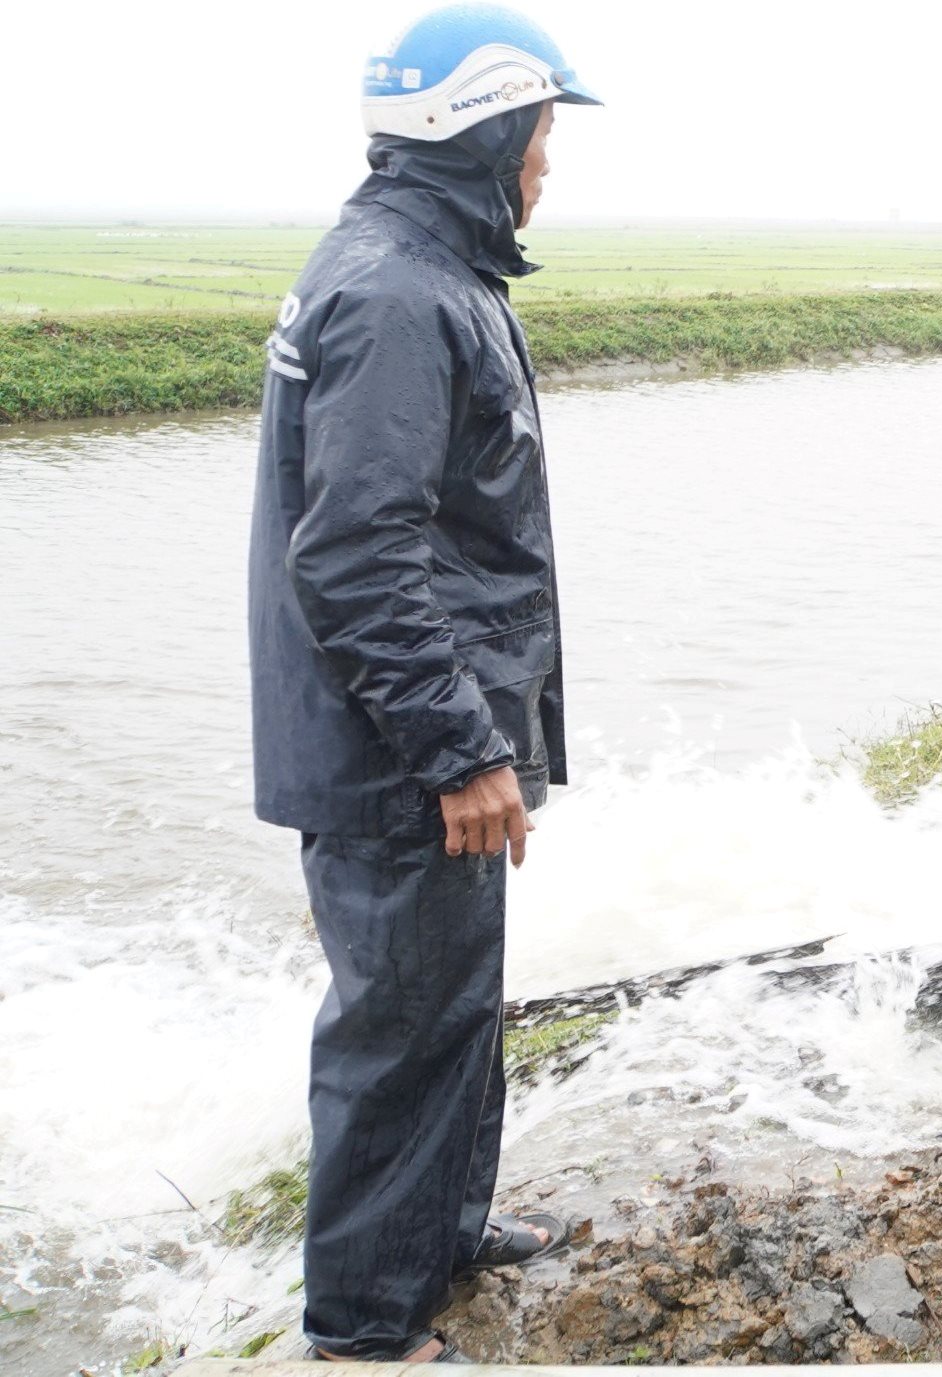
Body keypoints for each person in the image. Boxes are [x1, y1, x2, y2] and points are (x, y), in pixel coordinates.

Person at [247, 4, 599, 1362]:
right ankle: (364, 1330)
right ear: (484, 131)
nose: (550, 164)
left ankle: (444, 1229)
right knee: (395, 1029)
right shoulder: (396, 292)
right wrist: (459, 748)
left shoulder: (427, 267)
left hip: (417, 731)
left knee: (452, 999)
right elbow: (356, 553)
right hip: (395, 749)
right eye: (543, 134)